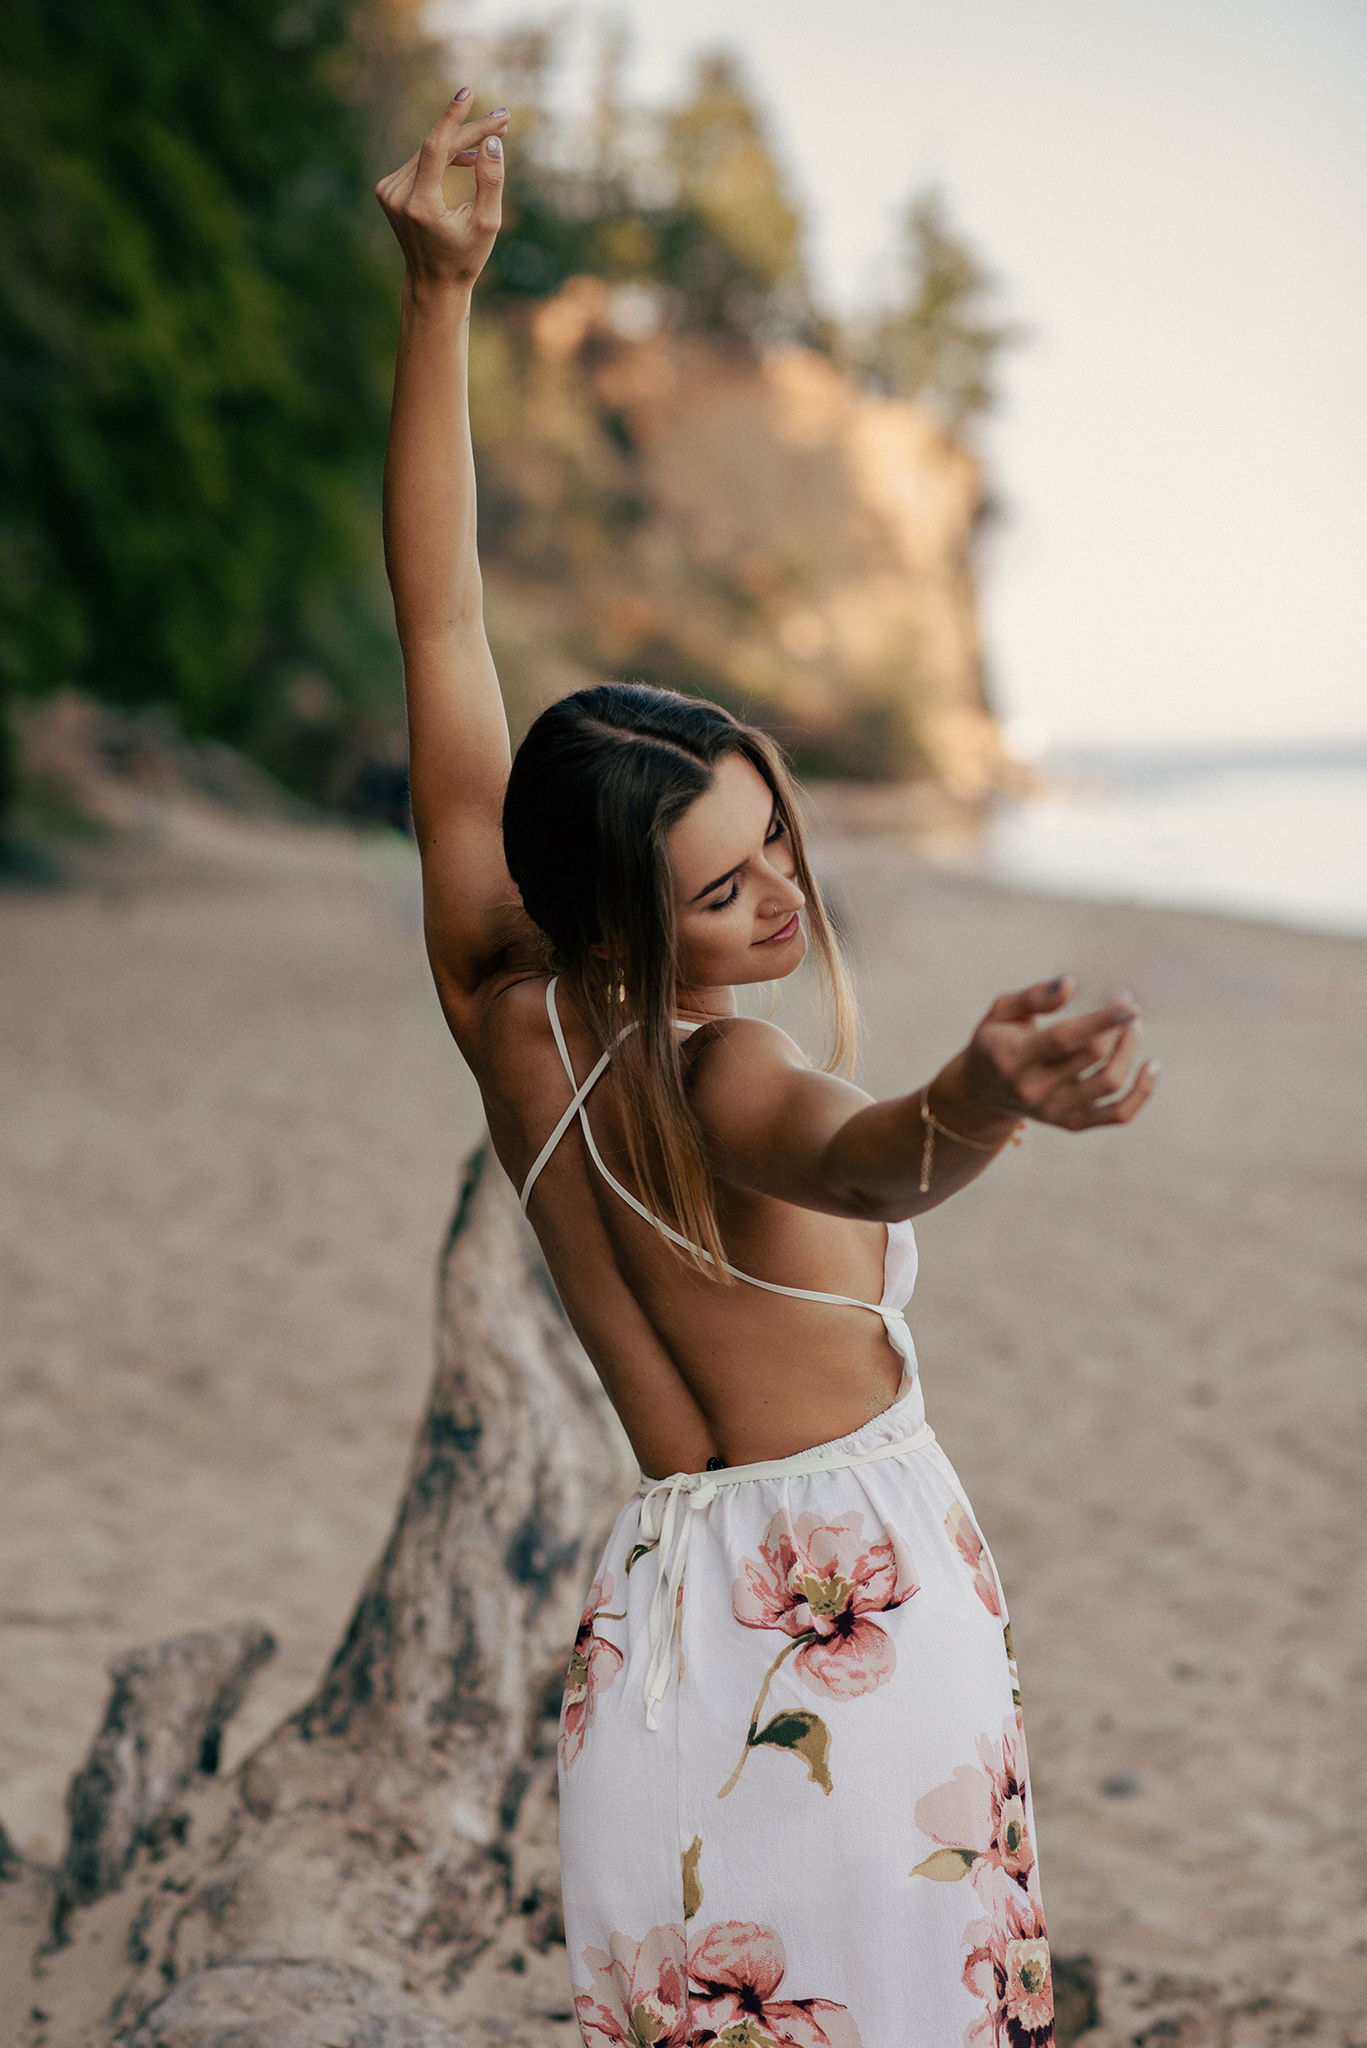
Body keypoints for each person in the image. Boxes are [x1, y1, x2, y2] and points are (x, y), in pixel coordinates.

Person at [375, 94, 1155, 2048]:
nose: (783, 897)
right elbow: (883, 1156)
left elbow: (447, 615)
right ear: (625, 924)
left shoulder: (500, 995)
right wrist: (989, 1089)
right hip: (854, 1636)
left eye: (780, 838)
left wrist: (440, 301)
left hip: (658, 1642)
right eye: (726, 889)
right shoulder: (717, 1081)